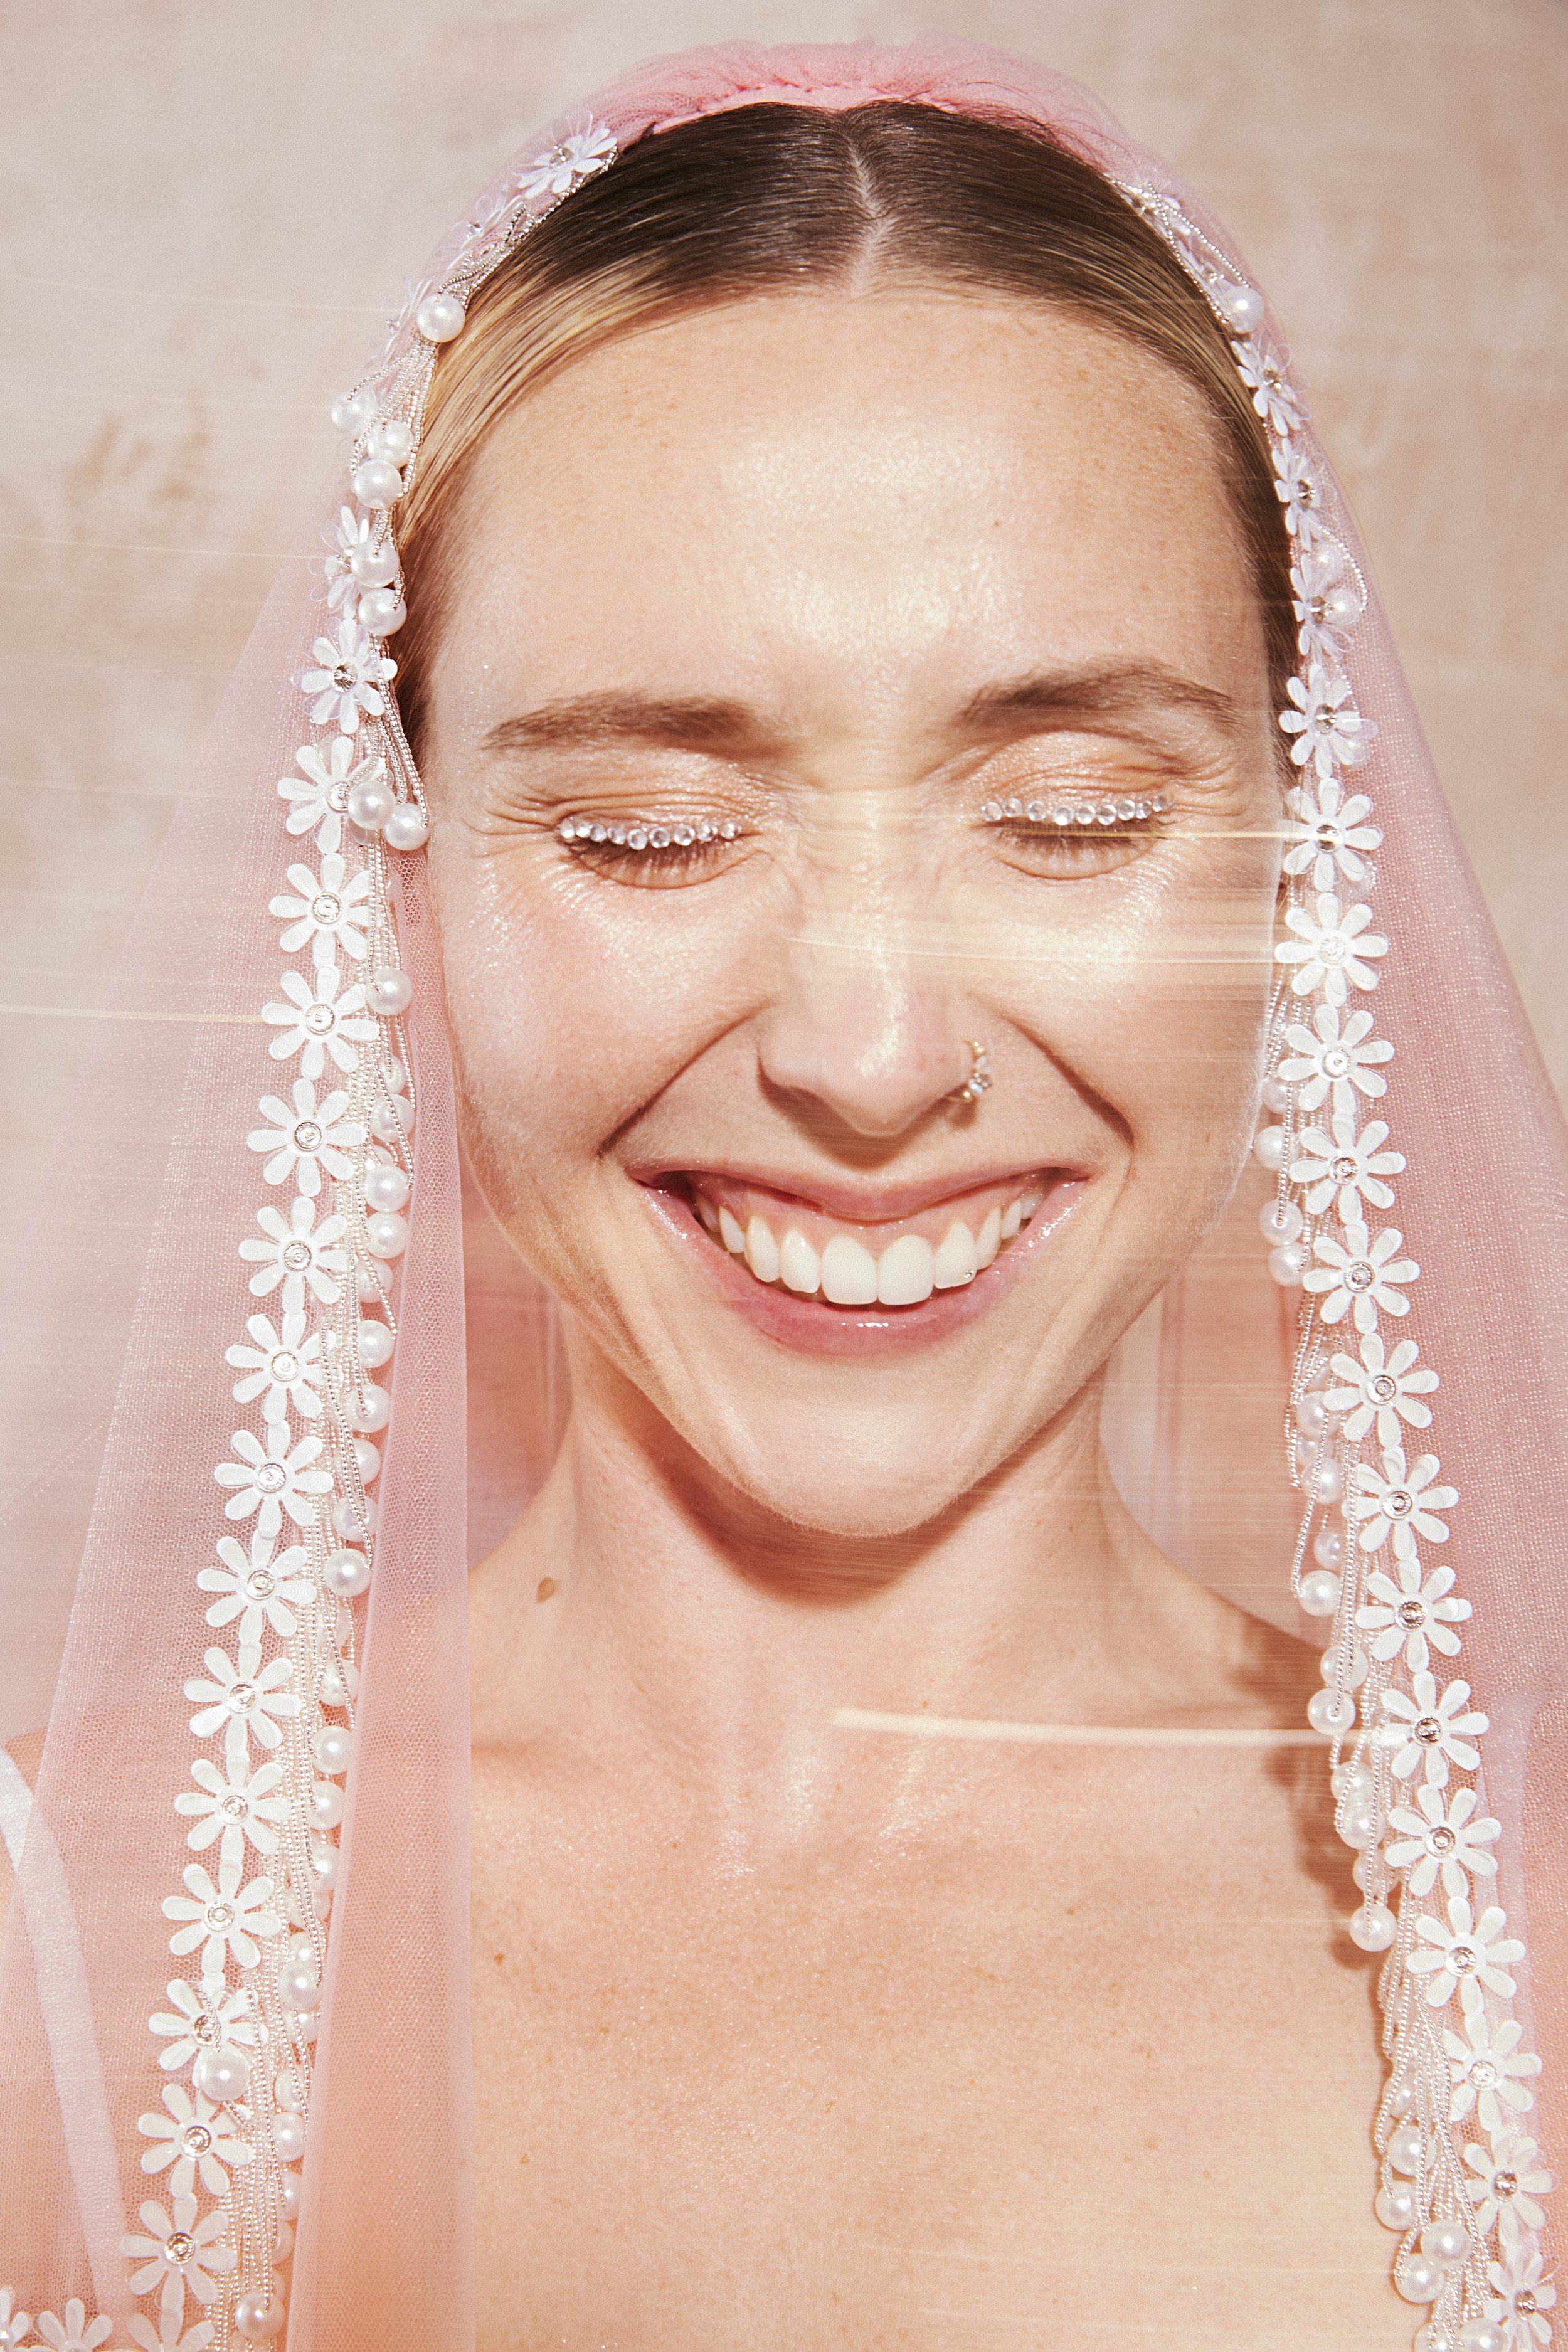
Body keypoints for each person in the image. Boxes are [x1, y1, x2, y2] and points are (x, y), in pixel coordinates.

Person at [0, 36, 1560, 2352]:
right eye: (644, 835)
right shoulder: (51, 1956)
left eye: (1068, 818)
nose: (867, 1053)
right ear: (395, 893)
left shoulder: (1528, 1950)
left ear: (1306, 867)